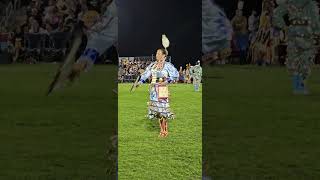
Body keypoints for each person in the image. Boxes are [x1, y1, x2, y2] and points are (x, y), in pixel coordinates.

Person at [273, 0, 320, 94]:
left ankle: (298, 86)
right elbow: (315, 21)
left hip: (297, 35)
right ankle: (298, 86)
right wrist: (316, 35)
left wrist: (284, 27)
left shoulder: (301, 3)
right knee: (300, 61)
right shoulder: (308, 3)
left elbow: (277, 14)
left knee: (297, 61)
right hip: (304, 35)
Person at [67, 0, 117, 83]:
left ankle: (78, 67)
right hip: (114, 33)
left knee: (92, 52)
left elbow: (103, 22)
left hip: (106, 35)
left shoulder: (113, 7)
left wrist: (92, 29)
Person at [137, 48, 179, 137]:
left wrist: (166, 81)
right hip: (153, 90)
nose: (157, 55)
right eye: (156, 53)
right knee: (157, 112)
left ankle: (165, 131)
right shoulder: (153, 65)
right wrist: (140, 82)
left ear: (164, 55)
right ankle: (161, 129)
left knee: (163, 110)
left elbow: (175, 75)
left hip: (163, 89)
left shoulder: (168, 65)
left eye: (159, 53)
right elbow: (146, 74)